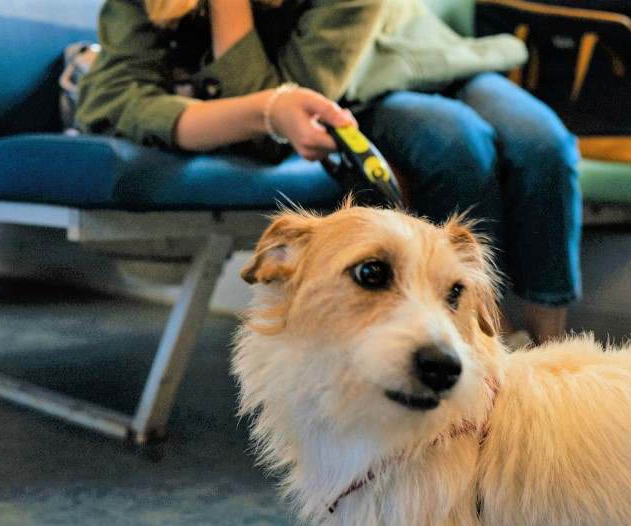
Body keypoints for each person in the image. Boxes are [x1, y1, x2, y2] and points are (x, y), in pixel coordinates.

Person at [75, 0, 581, 344]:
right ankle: (487, 346)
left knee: (547, 144)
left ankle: (550, 345)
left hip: (435, 61)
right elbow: (277, 111)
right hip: (361, 92)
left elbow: (277, 99)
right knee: (456, 143)